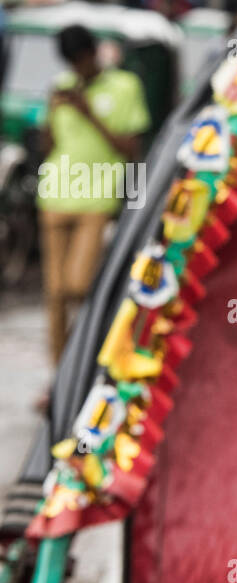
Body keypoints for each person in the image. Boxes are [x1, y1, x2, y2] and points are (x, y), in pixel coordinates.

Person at [37, 24, 150, 367]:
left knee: (77, 285)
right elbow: (48, 145)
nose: (77, 69)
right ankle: (60, 376)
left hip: (97, 197)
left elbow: (131, 147)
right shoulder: (62, 87)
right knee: (55, 296)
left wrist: (90, 114)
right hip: (55, 194)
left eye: (81, 60)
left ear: (93, 53)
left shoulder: (125, 86)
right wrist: (53, 112)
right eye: (71, 63)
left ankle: (81, 357)